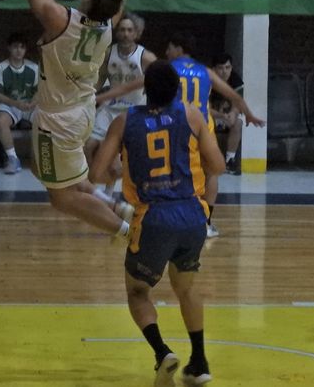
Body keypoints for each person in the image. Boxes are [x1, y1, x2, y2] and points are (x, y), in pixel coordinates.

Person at [89, 60, 226, 387]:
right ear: (177, 90)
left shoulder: (124, 122)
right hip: (193, 215)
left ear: (144, 89)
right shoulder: (192, 116)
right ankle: (199, 361)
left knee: (138, 292)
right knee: (187, 288)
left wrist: (126, 170)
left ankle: (162, 352)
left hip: (153, 217)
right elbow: (217, 166)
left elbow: (96, 174)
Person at [23, 0, 151, 238]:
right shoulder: (108, 24)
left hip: (58, 122)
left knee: (61, 197)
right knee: (63, 177)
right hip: (81, 113)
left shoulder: (61, 21)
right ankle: (122, 209)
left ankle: (130, 233)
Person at [166, 32, 265, 238]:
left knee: (175, 172)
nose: (166, 52)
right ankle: (206, 223)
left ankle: (174, 220)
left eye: (169, 47)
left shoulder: (167, 68)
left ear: (178, 48)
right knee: (211, 173)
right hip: (202, 127)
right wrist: (249, 115)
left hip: (175, 126)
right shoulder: (206, 72)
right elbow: (234, 96)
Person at [84, 12, 157, 193]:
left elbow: (158, 81)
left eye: (129, 30)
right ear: (117, 33)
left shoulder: (145, 57)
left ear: (136, 33)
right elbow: (100, 79)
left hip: (135, 109)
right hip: (110, 108)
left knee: (120, 152)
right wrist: (88, 93)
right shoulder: (109, 53)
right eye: (122, 29)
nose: (125, 33)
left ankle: (109, 190)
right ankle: (91, 187)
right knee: (89, 145)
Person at [0, 32, 39, 174]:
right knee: (0, 119)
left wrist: (33, 102)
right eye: (16, 47)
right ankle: (13, 159)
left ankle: (38, 158)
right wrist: (16, 104)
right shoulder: (0, 68)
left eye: (22, 47)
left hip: (30, 106)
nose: (19, 50)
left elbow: (40, 91)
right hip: (10, 105)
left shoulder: (34, 68)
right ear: (9, 48)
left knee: (46, 119)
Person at [209, 53, 244, 175]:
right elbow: (203, 107)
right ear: (213, 69)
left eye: (227, 67)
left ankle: (230, 160)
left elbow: (237, 104)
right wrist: (220, 115)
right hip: (211, 116)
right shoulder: (206, 81)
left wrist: (232, 114)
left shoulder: (236, 81)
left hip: (225, 117)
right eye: (220, 68)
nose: (224, 72)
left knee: (238, 122)